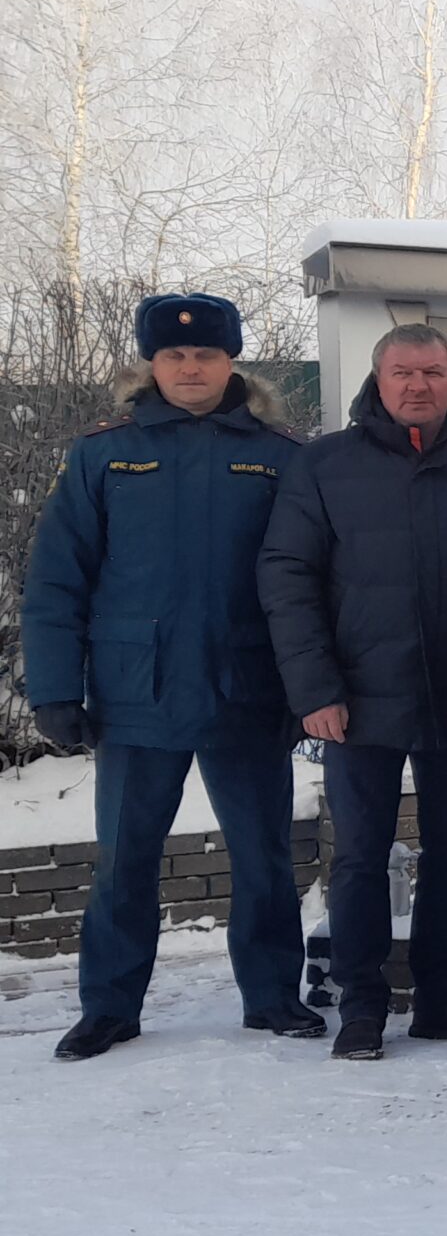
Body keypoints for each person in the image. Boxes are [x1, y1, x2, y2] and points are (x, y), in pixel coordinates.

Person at [23, 293, 317, 1059]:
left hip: (248, 687)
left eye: (208, 355)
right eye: (176, 355)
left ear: (232, 363)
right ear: (150, 363)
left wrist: (308, 687)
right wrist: (53, 688)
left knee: (264, 854)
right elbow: (58, 580)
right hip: (135, 692)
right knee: (126, 856)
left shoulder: (281, 454)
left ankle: (274, 996)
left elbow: (315, 580)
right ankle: (110, 1006)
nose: (192, 367)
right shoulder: (101, 454)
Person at [257, 323, 447, 1059]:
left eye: (431, 371)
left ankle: (443, 999)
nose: (417, 386)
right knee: (361, 857)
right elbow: (287, 578)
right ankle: (361, 1005)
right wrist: (314, 688)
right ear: (378, 378)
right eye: (402, 372)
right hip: (358, 702)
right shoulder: (326, 466)